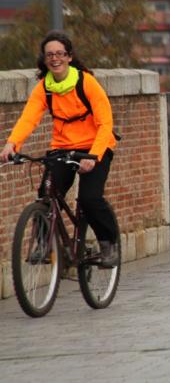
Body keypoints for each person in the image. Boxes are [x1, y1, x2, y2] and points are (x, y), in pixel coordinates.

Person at [1, 32, 118, 267]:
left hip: (95, 147)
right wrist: (12, 143)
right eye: (50, 54)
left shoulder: (86, 82)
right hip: (63, 148)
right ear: (44, 60)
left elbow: (106, 123)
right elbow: (29, 118)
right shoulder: (45, 87)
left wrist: (94, 156)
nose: (55, 58)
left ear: (69, 56)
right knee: (46, 196)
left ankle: (108, 243)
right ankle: (44, 244)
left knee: (89, 198)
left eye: (60, 54)